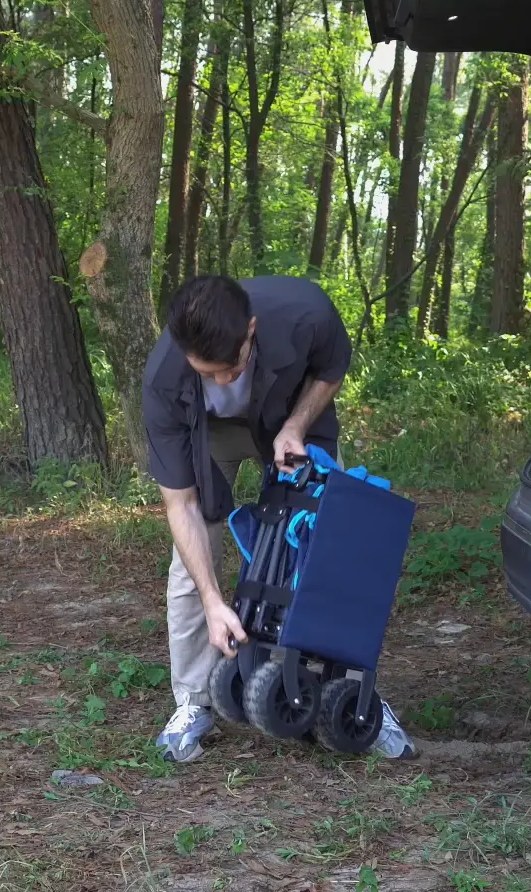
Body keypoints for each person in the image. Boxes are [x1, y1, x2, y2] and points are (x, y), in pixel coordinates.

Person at [142, 274, 415, 763]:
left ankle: (351, 694)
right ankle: (194, 701)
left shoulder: (305, 313)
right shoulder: (163, 380)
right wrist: (213, 601)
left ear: (251, 329)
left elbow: (330, 368)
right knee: (191, 567)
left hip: (287, 415)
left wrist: (296, 425)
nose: (222, 381)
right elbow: (180, 505)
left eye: (231, 368)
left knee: (328, 549)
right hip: (209, 435)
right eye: (207, 373)